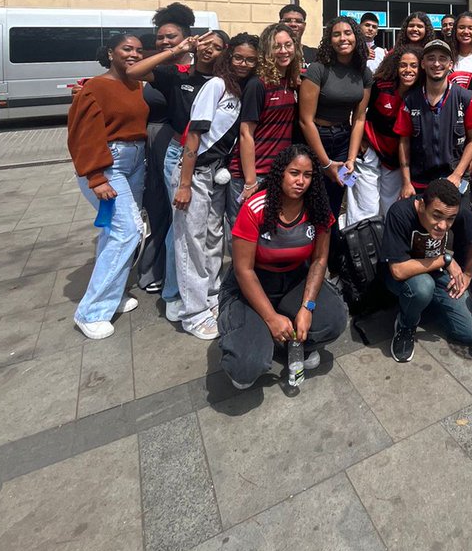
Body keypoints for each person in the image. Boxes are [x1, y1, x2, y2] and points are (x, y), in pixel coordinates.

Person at [218, 145, 348, 389]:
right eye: (294, 173)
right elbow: (242, 269)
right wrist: (269, 317)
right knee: (246, 368)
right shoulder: (255, 208)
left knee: (335, 319)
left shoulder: (318, 209)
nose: (300, 181)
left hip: (293, 280)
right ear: (280, 174)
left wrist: (307, 307)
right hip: (253, 284)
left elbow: (320, 259)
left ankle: (293, 341)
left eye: (307, 175)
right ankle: (253, 332)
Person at [127, 27, 228, 310]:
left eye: (217, 46)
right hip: (180, 155)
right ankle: (174, 294)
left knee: (207, 231)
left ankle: (205, 287)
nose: (209, 49)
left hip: (213, 160)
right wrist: (176, 50)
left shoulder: (227, 82)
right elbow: (133, 72)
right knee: (181, 231)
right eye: (205, 43)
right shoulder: (178, 75)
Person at [172, 33, 259, 339]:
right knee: (190, 243)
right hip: (194, 174)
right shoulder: (216, 86)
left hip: (216, 175)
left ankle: (210, 296)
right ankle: (192, 313)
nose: (244, 64)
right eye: (238, 57)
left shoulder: (241, 89)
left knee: (213, 237)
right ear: (228, 57)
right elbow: (194, 135)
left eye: (250, 59)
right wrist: (184, 183)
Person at [67, 33, 148, 339]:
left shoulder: (137, 84)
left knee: (115, 232)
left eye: (139, 50)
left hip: (136, 161)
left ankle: (112, 295)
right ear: (111, 53)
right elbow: (82, 134)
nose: (134, 55)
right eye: (127, 49)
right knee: (127, 229)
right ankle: (92, 310)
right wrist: (96, 177)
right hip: (108, 162)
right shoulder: (95, 87)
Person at [380, 177, 472, 362]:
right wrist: (445, 260)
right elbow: (397, 270)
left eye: (450, 219)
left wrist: (467, 274)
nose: (443, 225)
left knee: (468, 333)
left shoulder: (450, 209)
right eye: (436, 216)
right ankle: (405, 325)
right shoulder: (400, 212)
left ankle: (422, 306)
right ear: (421, 206)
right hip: (404, 278)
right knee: (422, 287)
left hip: (436, 275)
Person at [135, 1, 198, 293]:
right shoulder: (156, 67)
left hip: (178, 142)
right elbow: (131, 75)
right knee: (156, 207)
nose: (163, 41)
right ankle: (152, 269)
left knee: (175, 210)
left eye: (170, 36)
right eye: (160, 37)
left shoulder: (192, 68)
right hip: (151, 142)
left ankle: (174, 274)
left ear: (185, 36)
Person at [298, 17, 372, 218]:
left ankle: (329, 247)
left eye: (347, 33)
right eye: (336, 34)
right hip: (315, 139)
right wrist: (326, 163)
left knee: (335, 199)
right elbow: (305, 120)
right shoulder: (318, 69)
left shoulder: (364, 72)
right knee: (311, 200)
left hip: (343, 140)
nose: (342, 38)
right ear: (329, 40)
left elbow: (358, 119)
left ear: (356, 37)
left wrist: (350, 158)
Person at [228, 22, 301, 221]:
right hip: (251, 174)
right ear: (268, 51)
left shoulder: (292, 82)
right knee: (243, 238)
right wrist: (250, 182)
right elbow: (246, 134)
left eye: (288, 45)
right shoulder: (258, 84)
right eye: (277, 46)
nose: (284, 51)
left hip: (276, 172)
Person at [394, 39, 472, 195]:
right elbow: (404, 141)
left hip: (454, 179)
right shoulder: (410, 100)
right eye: (431, 58)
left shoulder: (465, 98)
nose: (436, 64)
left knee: (460, 218)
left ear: (450, 64)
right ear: (422, 64)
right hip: (419, 181)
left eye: (442, 58)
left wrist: (457, 174)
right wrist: (406, 182)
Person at [346, 46, 421, 222]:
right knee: (364, 208)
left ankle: (387, 247)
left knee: (390, 207)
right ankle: (358, 247)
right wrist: (355, 152)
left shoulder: (421, 95)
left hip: (395, 160)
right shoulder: (380, 85)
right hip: (368, 152)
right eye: (403, 65)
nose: (408, 70)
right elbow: (358, 115)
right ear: (395, 66)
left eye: (413, 66)